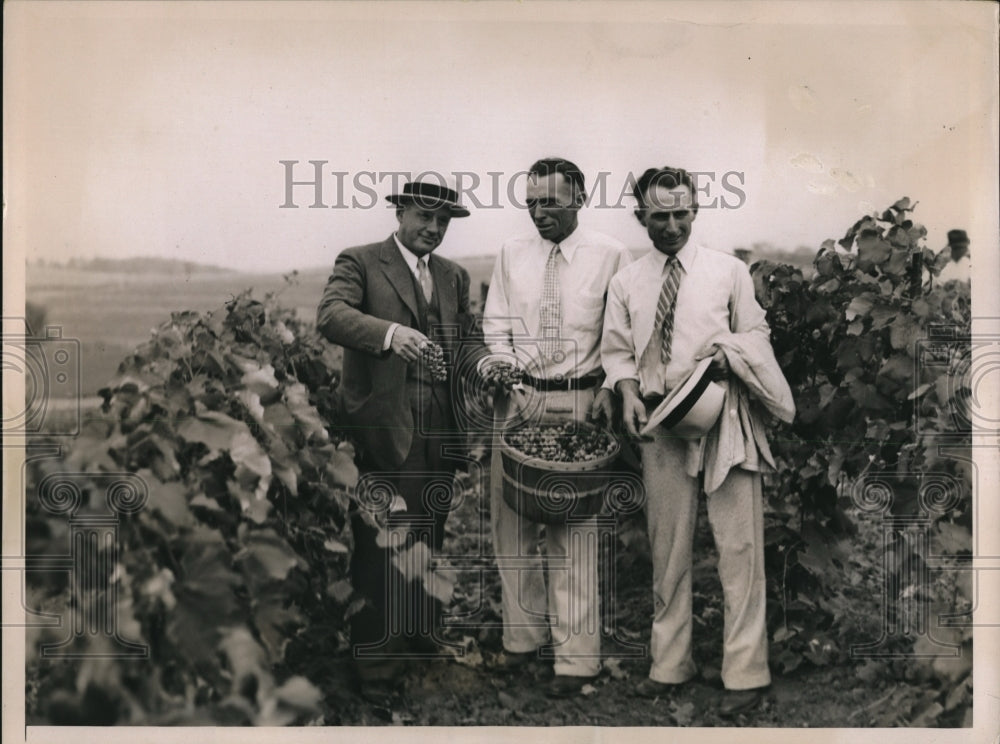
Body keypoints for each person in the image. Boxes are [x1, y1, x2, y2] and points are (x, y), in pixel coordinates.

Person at [601, 166, 794, 717]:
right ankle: (670, 666)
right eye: (658, 216)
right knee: (669, 551)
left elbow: (756, 334)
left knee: (739, 549)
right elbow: (617, 351)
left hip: (724, 417)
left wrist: (726, 351)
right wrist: (629, 393)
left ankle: (745, 673)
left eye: (681, 213)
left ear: (695, 210)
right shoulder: (628, 282)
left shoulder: (727, 272)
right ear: (640, 217)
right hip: (661, 426)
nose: (671, 225)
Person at [317, 178, 487, 704]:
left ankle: (421, 638)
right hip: (384, 432)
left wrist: (488, 365)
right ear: (400, 213)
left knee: (427, 538)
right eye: (423, 217)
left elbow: (469, 341)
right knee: (379, 548)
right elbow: (331, 316)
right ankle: (376, 669)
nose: (433, 229)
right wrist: (393, 336)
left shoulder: (453, 276)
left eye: (442, 222)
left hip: (440, 434)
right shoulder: (361, 262)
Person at [479, 157, 633, 698]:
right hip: (517, 402)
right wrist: (500, 368)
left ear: (580, 198)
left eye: (551, 201)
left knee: (575, 531)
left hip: (580, 403)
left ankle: (576, 660)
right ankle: (521, 643)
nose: (540, 212)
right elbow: (495, 325)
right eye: (531, 202)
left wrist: (612, 390)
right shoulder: (510, 254)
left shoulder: (611, 254)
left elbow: (620, 334)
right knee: (512, 527)